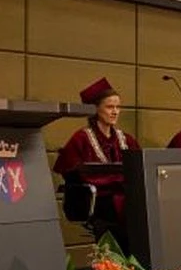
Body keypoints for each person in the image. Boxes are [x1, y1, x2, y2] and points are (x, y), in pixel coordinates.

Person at [53, 77, 141, 250]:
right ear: (95, 109)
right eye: (110, 107)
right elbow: (71, 173)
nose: (115, 111)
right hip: (99, 200)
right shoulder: (81, 138)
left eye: (118, 107)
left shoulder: (126, 139)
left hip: (124, 197)